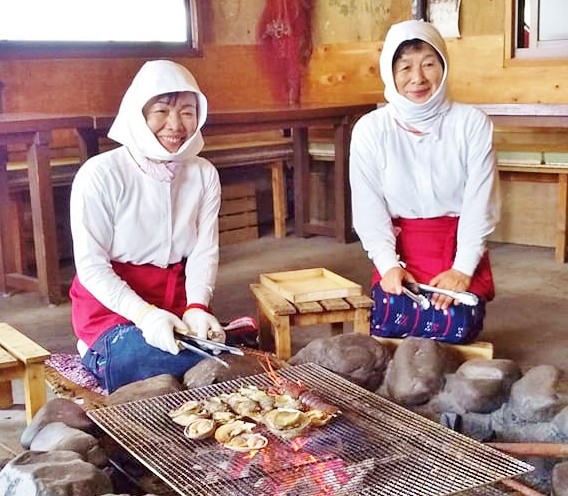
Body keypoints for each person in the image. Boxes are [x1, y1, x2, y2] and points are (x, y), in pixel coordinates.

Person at [69, 60, 225, 392]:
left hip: (176, 302)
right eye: (161, 112)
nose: (175, 126)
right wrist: (144, 315)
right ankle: (103, 355)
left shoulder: (203, 173)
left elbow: (203, 251)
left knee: (214, 347)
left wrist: (197, 306)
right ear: (137, 114)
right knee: (152, 359)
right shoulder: (100, 175)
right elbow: (91, 267)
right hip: (111, 311)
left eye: (187, 112)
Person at [349, 20, 500, 344]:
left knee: (456, 323)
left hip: (455, 247)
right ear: (390, 73)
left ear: (443, 67)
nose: (418, 78)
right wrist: (389, 265)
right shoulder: (371, 130)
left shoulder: (471, 124)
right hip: (402, 251)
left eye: (429, 64)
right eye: (405, 67)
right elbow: (368, 205)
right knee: (387, 317)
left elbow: (479, 204)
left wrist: (462, 270)